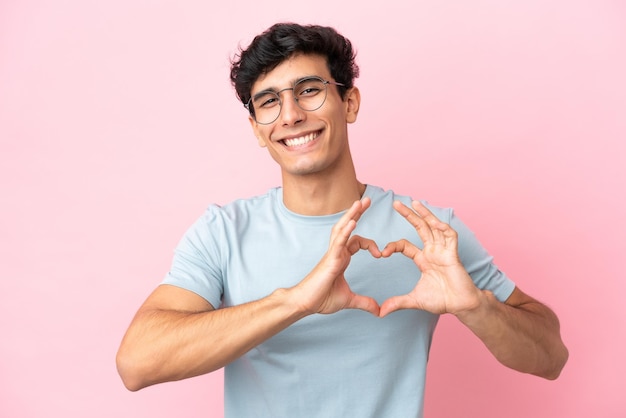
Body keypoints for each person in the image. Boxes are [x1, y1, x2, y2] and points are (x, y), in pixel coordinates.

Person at [116, 22, 568, 417]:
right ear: (256, 129)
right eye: (269, 102)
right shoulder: (222, 232)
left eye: (309, 90)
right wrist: (295, 302)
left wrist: (476, 306)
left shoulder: (428, 230)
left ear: (349, 103)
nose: (291, 115)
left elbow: (552, 356)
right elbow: (137, 363)